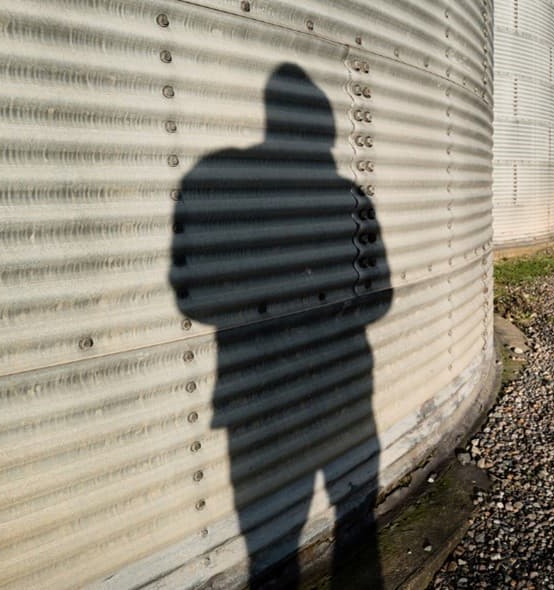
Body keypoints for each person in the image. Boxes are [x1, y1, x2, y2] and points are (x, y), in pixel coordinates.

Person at [171, 62, 389, 588]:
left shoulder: (211, 176)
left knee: (272, 544)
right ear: (327, 127)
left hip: (255, 388)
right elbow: (381, 299)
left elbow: (193, 298)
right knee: (355, 515)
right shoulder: (352, 196)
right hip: (345, 381)